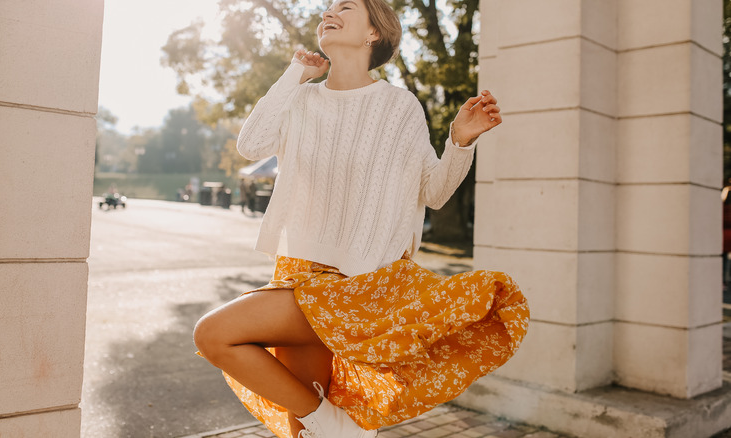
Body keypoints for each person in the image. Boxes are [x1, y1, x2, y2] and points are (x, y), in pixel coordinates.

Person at [193, 1, 529, 437]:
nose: (328, 13)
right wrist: (294, 74)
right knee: (305, 427)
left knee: (213, 334)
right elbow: (252, 144)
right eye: (325, 10)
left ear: (375, 32)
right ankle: (334, 426)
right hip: (298, 274)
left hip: (359, 286)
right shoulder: (299, 99)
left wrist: (460, 142)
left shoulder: (399, 106)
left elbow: (435, 192)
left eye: (345, 6)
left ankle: (336, 426)